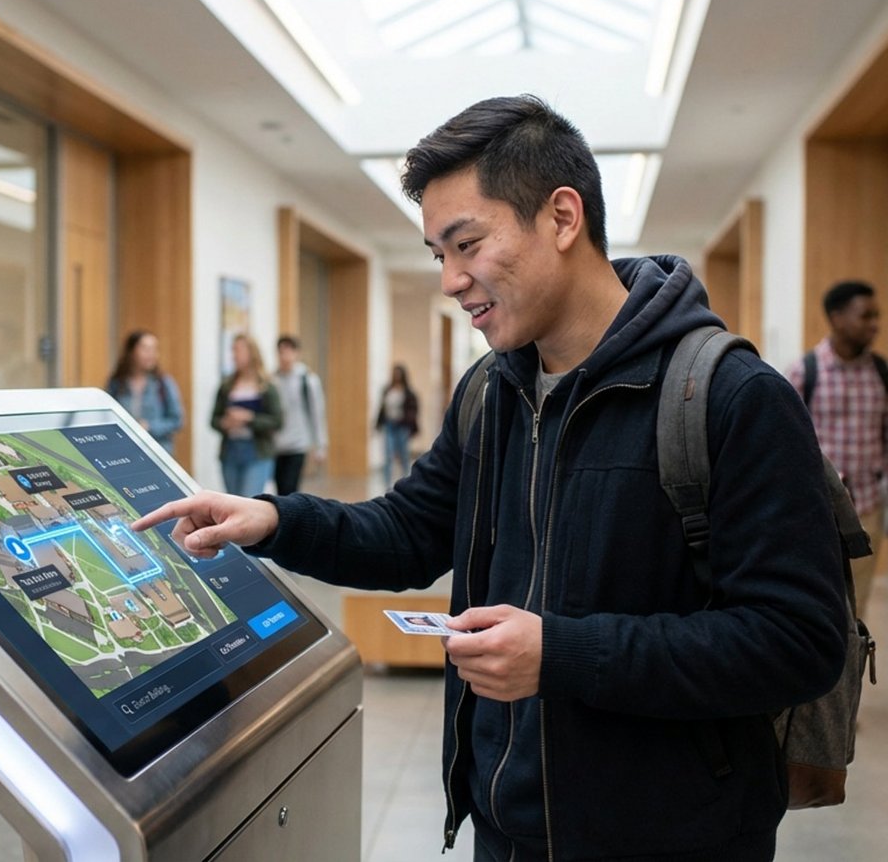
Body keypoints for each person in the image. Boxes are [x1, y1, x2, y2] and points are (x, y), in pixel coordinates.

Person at [135, 95, 846, 860]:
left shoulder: (729, 397)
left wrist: (563, 656)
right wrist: (274, 521)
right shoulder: (494, 393)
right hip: (507, 827)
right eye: (438, 255)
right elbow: (409, 533)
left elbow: (797, 639)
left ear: (562, 218)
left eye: (465, 244)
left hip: (671, 836)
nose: (449, 280)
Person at [785, 280, 888, 617]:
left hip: (867, 507)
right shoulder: (803, 371)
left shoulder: (887, 374)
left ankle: (849, 668)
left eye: (877, 315)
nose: (875, 324)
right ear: (837, 317)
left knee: (856, 608)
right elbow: (786, 441)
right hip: (816, 507)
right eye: (866, 315)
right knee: (817, 602)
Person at [211, 334, 283, 497]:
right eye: (233, 350)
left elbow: (277, 421)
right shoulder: (226, 386)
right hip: (230, 452)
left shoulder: (266, 386)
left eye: (239, 350)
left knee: (249, 500)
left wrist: (249, 418)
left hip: (257, 452)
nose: (234, 355)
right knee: (232, 501)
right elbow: (214, 419)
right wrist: (225, 423)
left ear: (252, 353)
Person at [106, 329, 185, 456]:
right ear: (131, 352)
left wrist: (149, 426)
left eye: (154, 349)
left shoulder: (163, 383)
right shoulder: (117, 383)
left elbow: (177, 420)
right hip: (125, 451)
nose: (151, 354)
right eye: (145, 349)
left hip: (158, 452)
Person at [271, 335, 327, 495]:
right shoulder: (272, 379)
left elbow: (317, 412)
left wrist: (320, 445)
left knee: (290, 488)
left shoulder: (308, 380)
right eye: (281, 352)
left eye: (289, 351)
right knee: (280, 489)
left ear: (297, 353)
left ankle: (290, 518)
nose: (285, 356)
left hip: (298, 443)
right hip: (276, 444)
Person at [374, 364, 419, 487]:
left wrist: (411, 426)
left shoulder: (408, 392)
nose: (396, 376)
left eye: (398, 373)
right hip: (389, 425)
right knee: (388, 455)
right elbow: (382, 408)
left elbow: (413, 410)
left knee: (403, 455)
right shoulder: (387, 390)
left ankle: (406, 483)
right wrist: (377, 423)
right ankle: (387, 484)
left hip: (402, 426)